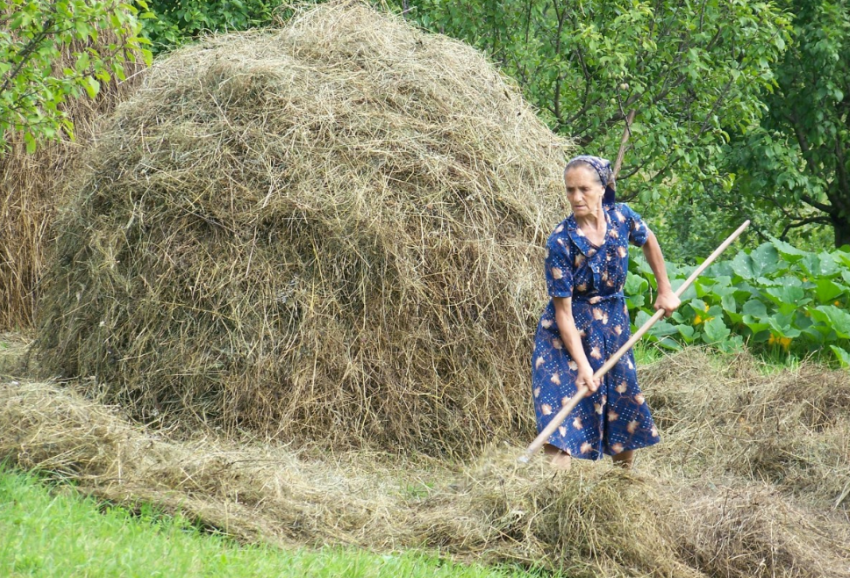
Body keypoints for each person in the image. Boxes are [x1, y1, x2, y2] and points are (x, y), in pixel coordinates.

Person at [531, 155, 680, 470]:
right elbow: (564, 314)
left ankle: (624, 486)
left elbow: (648, 240)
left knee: (622, 406)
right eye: (570, 190)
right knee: (558, 418)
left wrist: (664, 289)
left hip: (612, 328)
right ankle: (554, 501)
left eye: (583, 189)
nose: (575, 198)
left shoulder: (622, 218)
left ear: (603, 188)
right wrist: (583, 366)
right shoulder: (561, 241)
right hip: (564, 338)